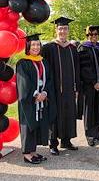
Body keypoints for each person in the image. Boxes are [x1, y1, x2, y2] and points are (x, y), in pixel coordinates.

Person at [42, 17, 80, 155]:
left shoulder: (72, 48)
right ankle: (53, 143)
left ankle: (66, 140)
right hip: (54, 89)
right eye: (60, 28)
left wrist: (77, 87)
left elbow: (77, 69)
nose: (63, 31)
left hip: (70, 89)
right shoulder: (48, 48)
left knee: (69, 113)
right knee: (54, 114)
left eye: (65, 28)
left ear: (68, 31)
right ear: (56, 30)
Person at [16, 34, 56, 164]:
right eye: (33, 44)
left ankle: (33, 151)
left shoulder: (43, 61)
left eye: (38, 44)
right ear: (28, 46)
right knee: (28, 125)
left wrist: (44, 92)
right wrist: (35, 94)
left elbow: (49, 79)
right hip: (29, 101)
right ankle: (27, 154)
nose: (36, 47)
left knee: (37, 124)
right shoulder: (22, 63)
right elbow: (23, 83)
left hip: (41, 99)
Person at [77, 25, 99, 146]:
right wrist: (94, 82)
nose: (93, 37)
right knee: (89, 109)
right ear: (87, 36)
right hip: (89, 86)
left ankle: (97, 133)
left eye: (96, 34)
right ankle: (89, 135)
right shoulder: (83, 48)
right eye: (91, 35)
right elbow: (84, 68)